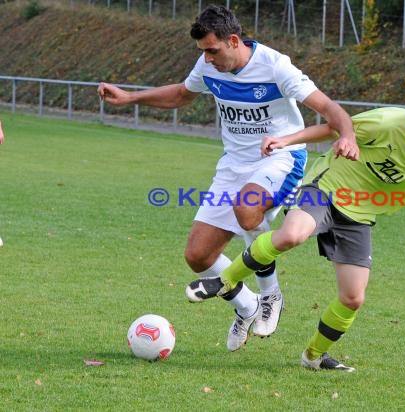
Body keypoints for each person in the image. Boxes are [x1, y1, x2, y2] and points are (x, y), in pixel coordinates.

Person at [186, 86, 405, 371]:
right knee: (292, 235)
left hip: (359, 212)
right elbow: (332, 127)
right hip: (326, 185)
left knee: (353, 298)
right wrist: (286, 141)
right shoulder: (388, 121)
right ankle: (224, 282)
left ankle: (313, 357)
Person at [97, 5, 356, 351]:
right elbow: (181, 94)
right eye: (203, 51)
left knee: (246, 209)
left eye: (212, 50)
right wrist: (131, 97)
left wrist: (348, 135)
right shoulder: (208, 65)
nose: (207, 58)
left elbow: (331, 110)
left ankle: (271, 295)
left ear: (233, 41)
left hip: (280, 157)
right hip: (233, 165)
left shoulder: (275, 66)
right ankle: (246, 306)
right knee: (198, 256)